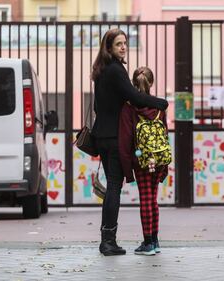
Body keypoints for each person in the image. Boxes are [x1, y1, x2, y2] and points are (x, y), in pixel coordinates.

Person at [91, 29, 168, 256]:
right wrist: (160, 103)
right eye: (118, 44)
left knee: (112, 186)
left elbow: (97, 107)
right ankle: (108, 241)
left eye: (125, 43)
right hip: (114, 137)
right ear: (109, 48)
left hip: (101, 137)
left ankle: (107, 238)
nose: (123, 47)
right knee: (114, 186)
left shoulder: (101, 71)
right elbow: (134, 97)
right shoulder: (116, 69)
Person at [118, 66, 169, 256]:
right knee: (153, 200)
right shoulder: (159, 106)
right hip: (159, 157)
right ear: (152, 83)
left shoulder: (129, 107)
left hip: (141, 159)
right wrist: (165, 165)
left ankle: (147, 242)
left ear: (132, 84)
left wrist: (127, 170)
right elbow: (164, 133)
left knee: (145, 199)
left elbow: (125, 138)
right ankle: (154, 240)